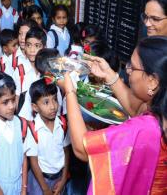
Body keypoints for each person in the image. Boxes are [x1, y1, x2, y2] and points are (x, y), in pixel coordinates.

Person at [63, 36, 167, 194]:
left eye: (133, 67)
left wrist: (69, 91)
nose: (128, 70)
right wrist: (109, 74)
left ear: (152, 81)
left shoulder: (146, 129)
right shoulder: (159, 109)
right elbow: (135, 107)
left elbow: (82, 149)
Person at [25, 79, 70, 195]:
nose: (53, 106)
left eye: (55, 99)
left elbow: (66, 152)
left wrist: (64, 179)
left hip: (59, 178)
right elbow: (33, 162)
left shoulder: (63, 124)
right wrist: (45, 189)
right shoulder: (33, 129)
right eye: (46, 102)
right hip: (39, 180)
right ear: (35, 107)